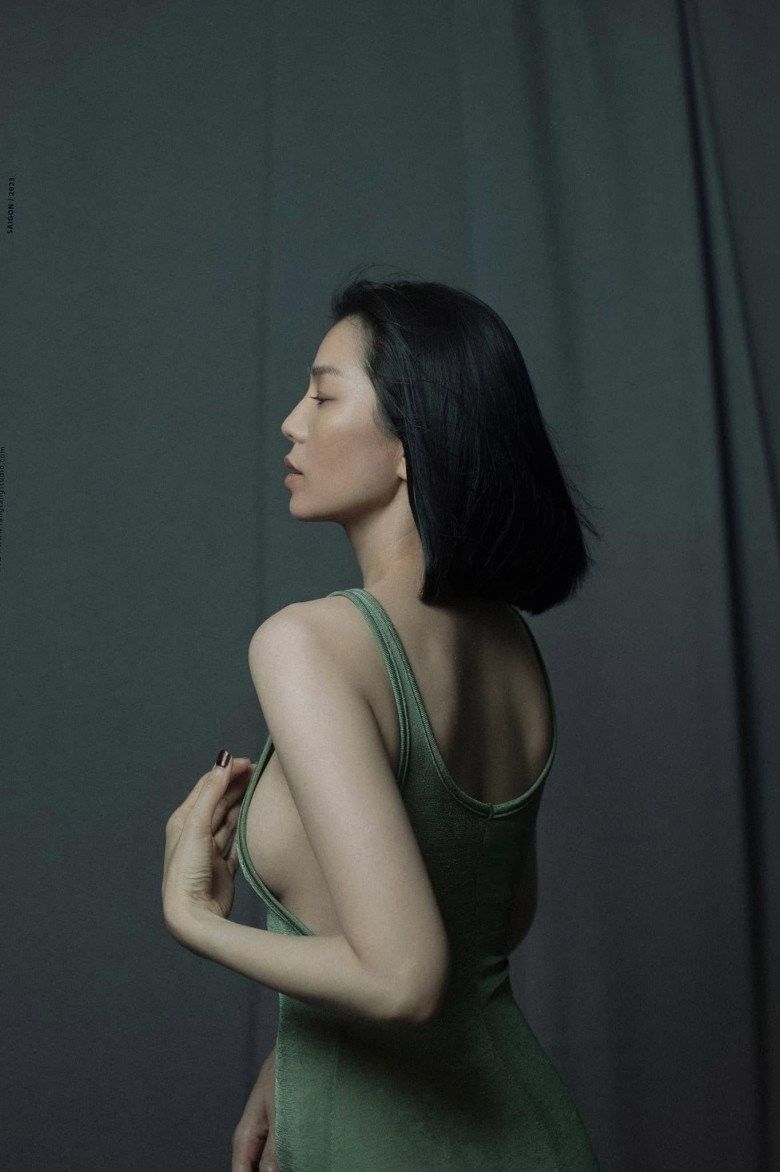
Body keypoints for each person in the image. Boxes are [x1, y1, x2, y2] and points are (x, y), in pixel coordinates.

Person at [164, 273, 601, 1170]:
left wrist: (194, 915)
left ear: (410, 442)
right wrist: (299, 1054)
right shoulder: (509, 645)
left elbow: (407, 979)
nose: (292, 422)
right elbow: (492, 924)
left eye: (324, 397)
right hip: (523, 1129)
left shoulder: (307, 644)